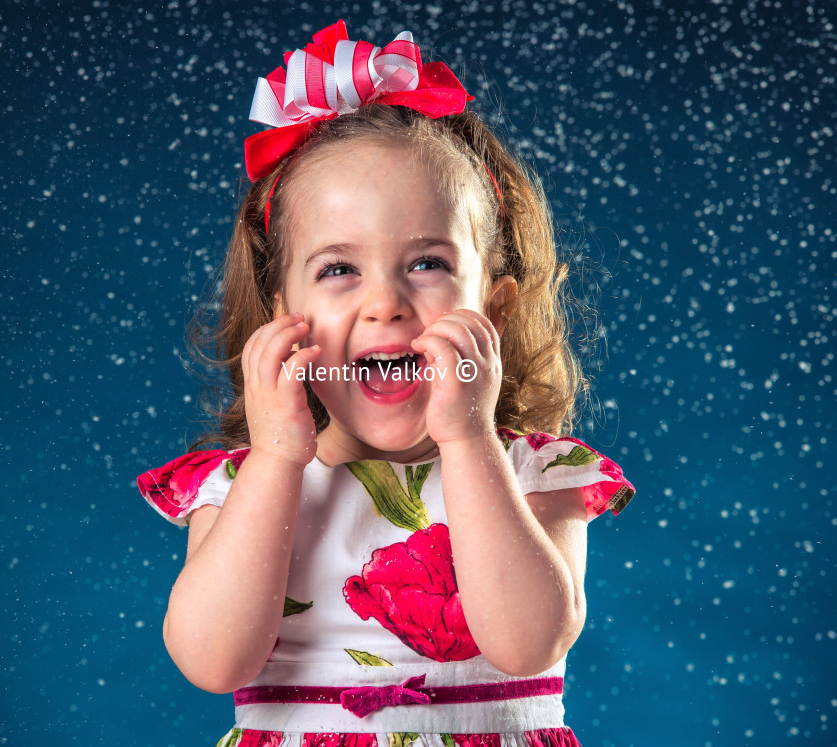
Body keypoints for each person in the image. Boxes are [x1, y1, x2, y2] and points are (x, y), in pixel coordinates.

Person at [137, 20, 636, 747]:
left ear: (491, 307)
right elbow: (212, 660)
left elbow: (530, 642)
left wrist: (467, 438)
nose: (385, 303)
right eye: (339, 269)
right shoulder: (237, 484)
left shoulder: (537, 472)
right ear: (286, 316)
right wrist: (277, 459)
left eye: (427, 262)